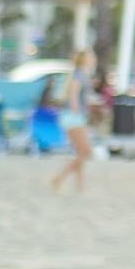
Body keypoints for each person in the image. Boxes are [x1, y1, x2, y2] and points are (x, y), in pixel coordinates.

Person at [50, 49, 97, 193]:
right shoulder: (78, 74)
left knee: (80, 152)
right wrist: (77, 111)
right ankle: (58, 178)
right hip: (73, 116)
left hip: (74, 116)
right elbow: (73, 95)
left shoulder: (82, 74)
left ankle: (79, 185)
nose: (94, 59)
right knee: (85, 151)